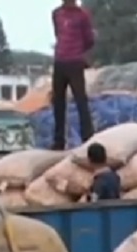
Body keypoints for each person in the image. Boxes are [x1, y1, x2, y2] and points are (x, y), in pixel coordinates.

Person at [51, 0, 96, 150]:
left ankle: (87, 137)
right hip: (59, 61)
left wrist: (77, 50)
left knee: (80, 100)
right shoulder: (56, 14)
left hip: (75, 62)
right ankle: (58, 140)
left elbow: (89, 39)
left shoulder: (82, 15)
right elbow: (58, 33)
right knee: (58, 102)